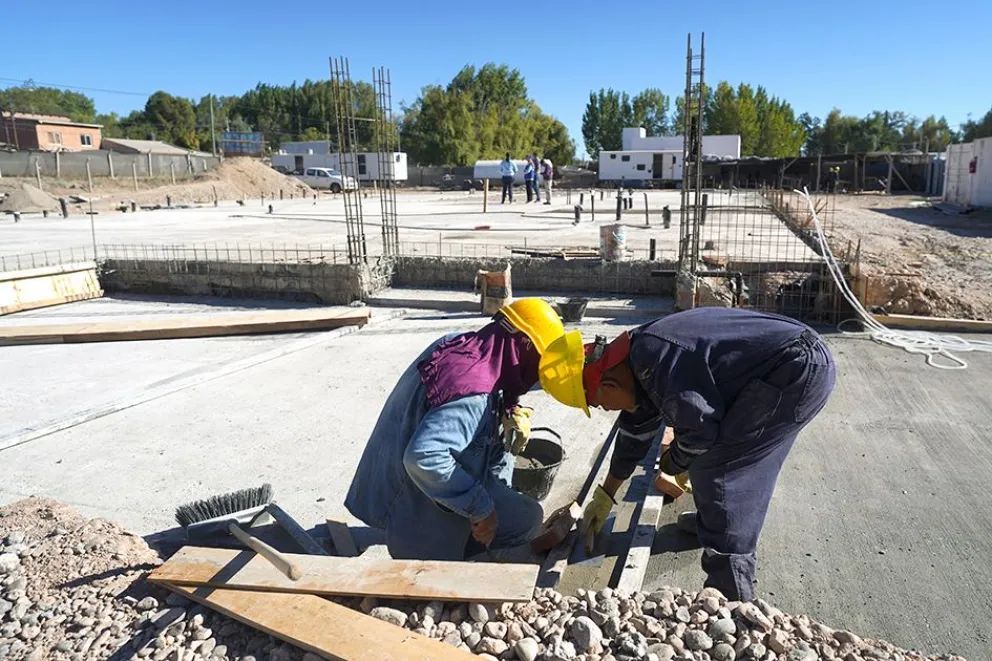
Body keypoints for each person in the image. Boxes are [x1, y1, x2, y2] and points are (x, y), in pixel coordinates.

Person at [537, 307, 836, 600]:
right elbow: (635, 431)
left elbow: (699, 434)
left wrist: (674, 461)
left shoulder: (656, 362)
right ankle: (714, 521)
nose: (603, 410)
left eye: (598, 404)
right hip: (789, 362)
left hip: (795, 369)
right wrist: (605, 494)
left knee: (721, 469)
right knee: (715, 461)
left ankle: (731, 591)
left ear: (609, 383)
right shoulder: (635, 357)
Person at [345, 298, 566, 561]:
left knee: (527, 513)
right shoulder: (474, 395)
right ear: (526, 347)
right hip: (412, 501)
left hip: (391, 478)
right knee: (523, 522)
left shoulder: (462, 346)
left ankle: (470, 539)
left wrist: (505, 414)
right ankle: (456, 556)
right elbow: (424, 457)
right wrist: (482, 508)